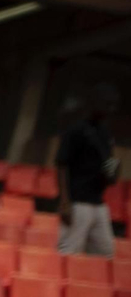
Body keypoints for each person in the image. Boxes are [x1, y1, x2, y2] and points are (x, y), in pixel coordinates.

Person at [56, 83, 121, 257]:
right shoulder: (76, 130)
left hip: (98, 203)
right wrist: (64, 201)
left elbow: (108, 163)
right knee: (69, 252)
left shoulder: (105, 133)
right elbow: (62, 165)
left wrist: (112, 172)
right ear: (94, 102)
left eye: (113, 105)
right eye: (107, 104)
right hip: (77, 202)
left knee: (105, 254)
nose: (110, 109)